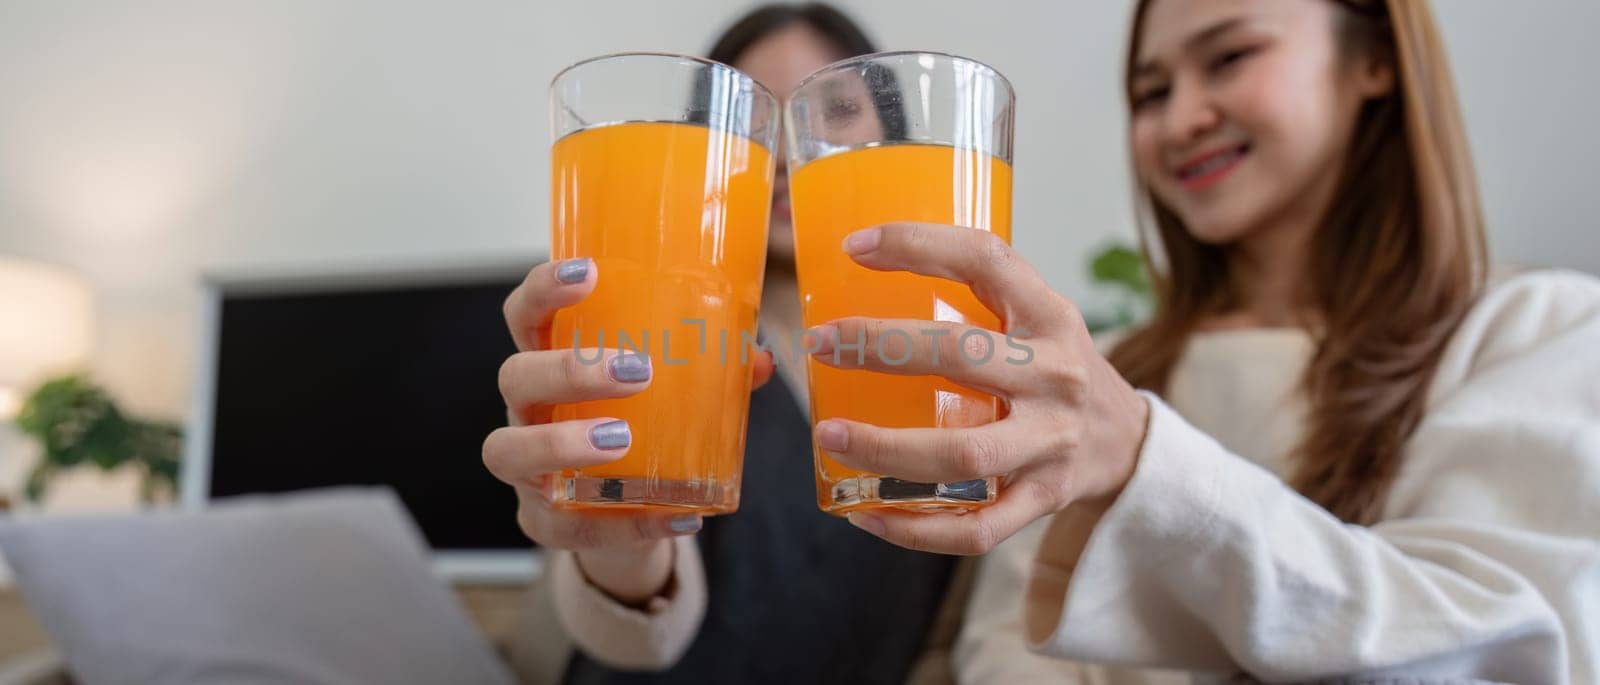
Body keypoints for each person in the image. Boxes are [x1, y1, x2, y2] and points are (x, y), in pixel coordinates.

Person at [799, 0, 1599, 682]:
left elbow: (1515, 647)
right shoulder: (1103, 369)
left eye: (1230, 56)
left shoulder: (1538, 330)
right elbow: (1004, 653)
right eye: (1151, 92)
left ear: (1376, 60)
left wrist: (1147, 464)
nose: (1181, 119)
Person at [486, 5, 1078, 684]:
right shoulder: (668, 321)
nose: (792, 149)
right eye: (760, 117)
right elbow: (634, 624)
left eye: (835, 108)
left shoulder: (972, 339)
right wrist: (621, 544)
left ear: (895, 135)